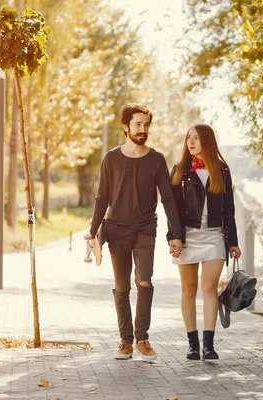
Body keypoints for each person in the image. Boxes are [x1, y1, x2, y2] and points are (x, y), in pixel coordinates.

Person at [88, 103, 183, 361]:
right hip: (116, 229)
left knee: (144, 282)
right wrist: (93, 232)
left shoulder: (156, 160)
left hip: (145, 229)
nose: (143, 129)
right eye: (138, 124)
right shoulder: (111, 158)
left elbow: (169, 199)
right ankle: (125, 342)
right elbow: (101, 197)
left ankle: (142, 338)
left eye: (146, 125)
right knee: (121, 287)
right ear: (126, 127)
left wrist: (176, 233)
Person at [167, 124, 241, 360]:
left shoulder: (222, 170)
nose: (191, 142)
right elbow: (172, 210)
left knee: (209, 288)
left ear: (207, 141)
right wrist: (174, 237)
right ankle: (193, 345)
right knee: (188, 289)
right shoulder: (180, 170)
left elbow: (229, 209)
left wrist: (233, 242)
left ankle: (209, 345)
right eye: (188, 137)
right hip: (187, 236)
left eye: (196, 138)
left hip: (214, 235)